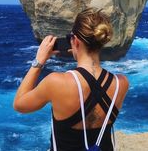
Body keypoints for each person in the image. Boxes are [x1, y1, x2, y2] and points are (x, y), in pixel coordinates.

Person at [13, 8, 129, 151]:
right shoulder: (121, 83)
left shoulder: (56, 81)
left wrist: (39, 61)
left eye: (70, 38)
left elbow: (19, 105)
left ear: (75, 41)